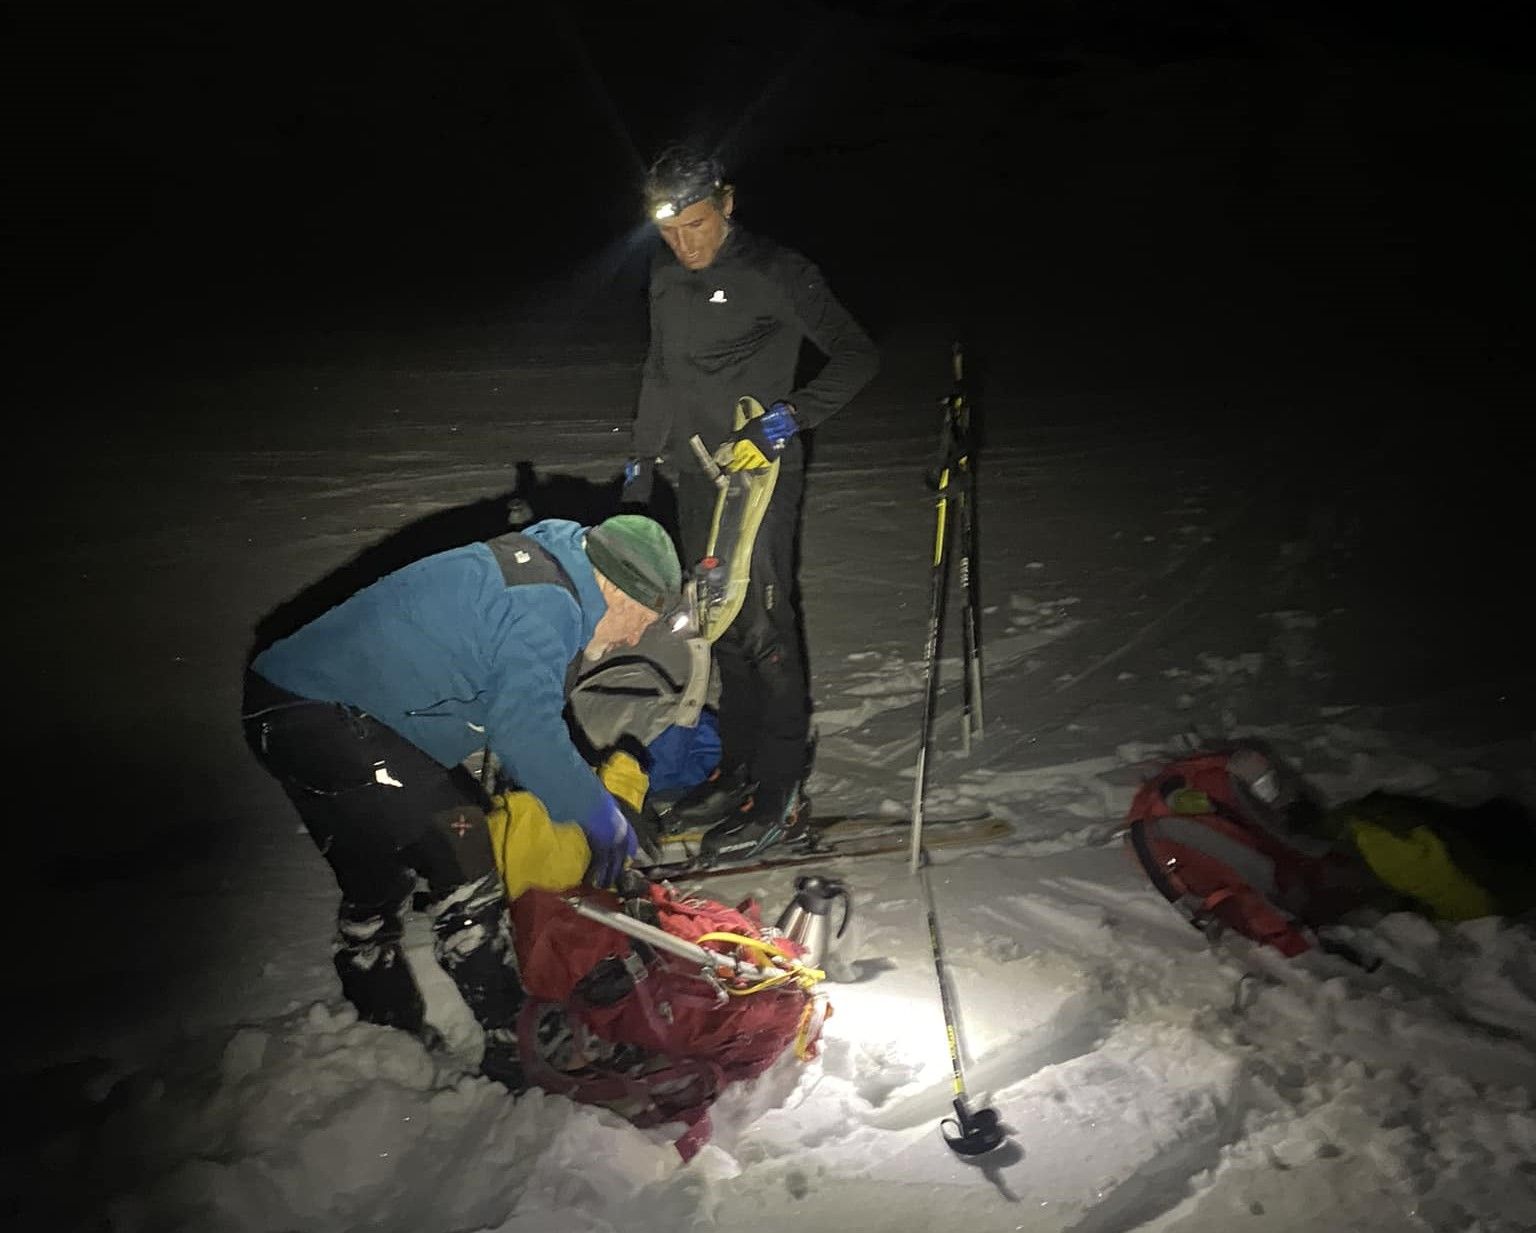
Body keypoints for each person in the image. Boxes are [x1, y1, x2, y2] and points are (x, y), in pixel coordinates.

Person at [241, 515, 681, 1087]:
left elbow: (519, 710)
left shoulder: (551, 569)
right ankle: (519, 1045)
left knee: (375, 873)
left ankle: (385, 1028)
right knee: (463, 854)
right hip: (328, 720)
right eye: (639, 622)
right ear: (617, 589)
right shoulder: (548, 610)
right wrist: (600, 816)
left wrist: (577, 787)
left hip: (280, 703)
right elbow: (524, 730)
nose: (629, 639)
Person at [621, 144, 879, 861]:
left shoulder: (778, 271)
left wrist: (790, 416)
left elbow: (859, 355)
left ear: (726, 204)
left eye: (697, 224)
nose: (686, 243)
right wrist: (641, 462)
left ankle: (781, 788)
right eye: (671, 231)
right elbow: (660, 369)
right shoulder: (666, 273)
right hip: (697, 473)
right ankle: (733, 773)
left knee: (766, 624)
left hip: (758, 473)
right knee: (720, 621)